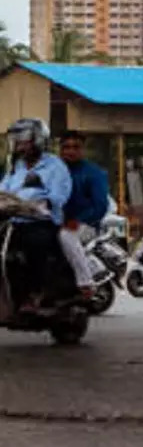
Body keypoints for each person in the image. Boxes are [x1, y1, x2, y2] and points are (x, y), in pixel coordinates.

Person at [0, 119, 74, 312]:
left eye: (23, 140)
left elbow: (59, 196)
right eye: (16, 140)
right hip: (13, 221)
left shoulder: (55, 166)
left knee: (33, 246)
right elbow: (4, 190)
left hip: (41, 222)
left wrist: (39, 205)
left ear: (38, 141)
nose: (18, 145)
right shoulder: (16, 167)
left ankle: (35, 293)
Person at [58, 130, 109, 297]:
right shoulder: (54, 171)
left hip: (85, 225)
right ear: (60, 149)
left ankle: (85, 282)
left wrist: (78, 221)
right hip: (55, 221)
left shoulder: (94, 173)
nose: (70, 151)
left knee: (67, 236)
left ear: (82, 150)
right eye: (66, 147)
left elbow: (101, 206)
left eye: (75, 147)